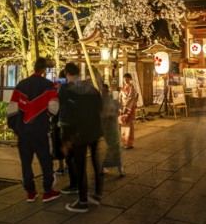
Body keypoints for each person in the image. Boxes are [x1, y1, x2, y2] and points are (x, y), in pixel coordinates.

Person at [7, 58, 61, 204]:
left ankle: (30, 192)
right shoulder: (48, 86)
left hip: (24, 132)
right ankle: (48, 191)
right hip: (41, 130)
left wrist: (17, 128)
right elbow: (54, 108)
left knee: (26, 163)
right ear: (44, 70)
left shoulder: (21, 85)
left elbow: (11, 111)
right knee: (45, 161)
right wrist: (46, 116)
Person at [58, 63, 103, 213]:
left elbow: (66, 114)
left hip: (78, 132)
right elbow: (100, 108)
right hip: (94, 130)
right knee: (95, 162)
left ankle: (82, 201)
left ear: (66, 73)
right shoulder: (92, 88)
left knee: (80, 164)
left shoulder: (66, 89)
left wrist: (67, 138)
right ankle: (97, 194)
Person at [100, 84, 123, 176]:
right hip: (107, 128)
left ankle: (106, 167)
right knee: (113, 148)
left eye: (105, 91)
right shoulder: (100, 102)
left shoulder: (111, 101)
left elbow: (120, 107)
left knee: (114, 147)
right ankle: (118, 168)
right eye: (102, 91)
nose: (104, 93)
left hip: (113, 127)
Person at [119, 73, 138, 149]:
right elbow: (120, 98)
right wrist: (120, 107)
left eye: (127, 79)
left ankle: (129, 143)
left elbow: (131, 99)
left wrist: (126, 107)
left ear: (130, 79)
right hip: (123, 108)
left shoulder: (132, 88)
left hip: (129, 108)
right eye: (124, 79)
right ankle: (124, 142)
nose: (125, 80)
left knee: (129, 125)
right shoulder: (122, 88)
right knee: (123, 125)